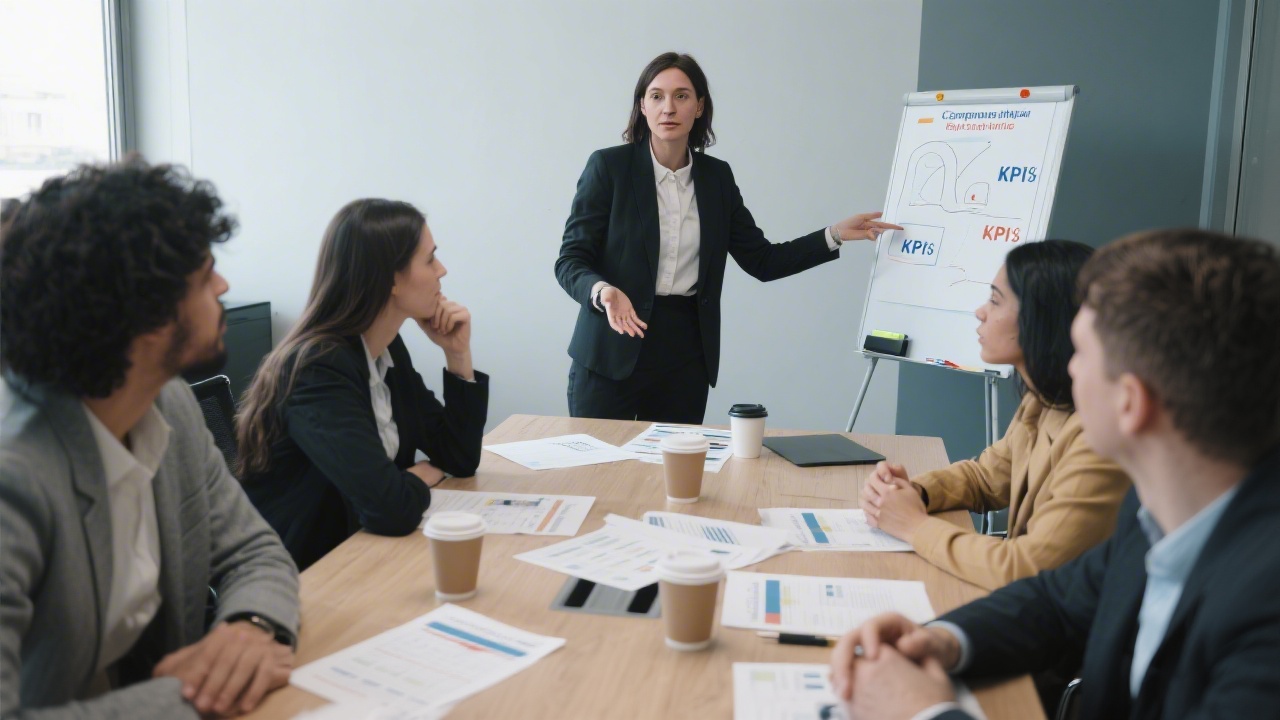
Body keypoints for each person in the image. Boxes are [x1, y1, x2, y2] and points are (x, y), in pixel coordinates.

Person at [830, 229, 1280, 719]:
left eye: (1081, 352)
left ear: (1130, 404)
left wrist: (926, 713)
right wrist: (940, 640)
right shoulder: (1156, 513)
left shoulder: (1264, 613)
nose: (1067, 366)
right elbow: (1056, 601)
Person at [0, 159, 300, 718]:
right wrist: (189, 695)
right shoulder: (15, 477)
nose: (224, 286)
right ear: (149, 314)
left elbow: (256, 550)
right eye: (207, 272)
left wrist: (249, 627)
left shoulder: (168, 404)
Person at [555, 51, 901, 423]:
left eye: (681, 96)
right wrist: (602, 291)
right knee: (600, 478)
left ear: (699, 107)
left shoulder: (716, 179)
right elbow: (571, 260)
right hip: (609, 347)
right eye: (656, 96)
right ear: (642, 105)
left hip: (684, 357)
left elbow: (762, 260)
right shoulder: (609, 168)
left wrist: (833, 235)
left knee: (674, 477)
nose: (668, 108)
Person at [860, 240, 1129, 591]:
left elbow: (1026, 567)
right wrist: (913, 492)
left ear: (1043, 318)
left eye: (995, 300)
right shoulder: (1043, 398)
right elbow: (988, 478)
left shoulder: (1099, 438)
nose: (980, 312)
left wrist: (913, 525)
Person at [236, 199, 488, 572]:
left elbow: (460, 458)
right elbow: (390, 509)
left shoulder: (385, 349)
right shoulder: (317, 369)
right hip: (305, 571)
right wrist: (419, 474)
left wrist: (458, 355)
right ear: (390, 278)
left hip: (366, 550)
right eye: (429, 259)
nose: (442, 271)